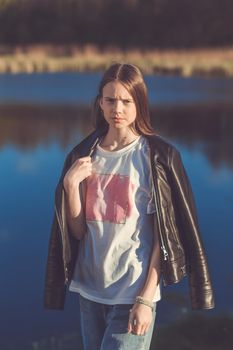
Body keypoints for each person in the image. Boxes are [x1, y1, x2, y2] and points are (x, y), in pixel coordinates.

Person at [44, 63, 215, 350]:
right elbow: (77, 231)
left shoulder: (156, 158)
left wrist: (146, 298)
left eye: (126, 100)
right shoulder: (83, 155)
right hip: (90, 291)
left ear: (139, 103)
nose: (117, 109)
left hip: (132, 292)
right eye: (110, 100)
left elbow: (165, 237)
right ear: (100, 103)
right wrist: (71, 186)